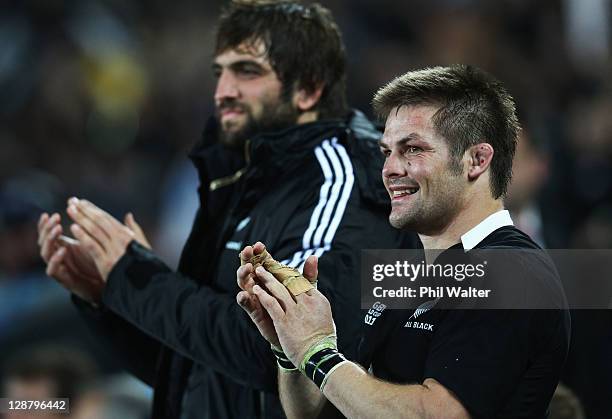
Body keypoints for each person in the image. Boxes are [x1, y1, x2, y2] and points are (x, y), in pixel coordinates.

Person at [36, 1, 415, 418]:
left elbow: (277, 354)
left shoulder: (337, 182)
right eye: (220, 73)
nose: (223, 91)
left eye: (247, 72)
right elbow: (198, 371)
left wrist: (136, 277)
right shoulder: (244, 184)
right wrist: (109, 298)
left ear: (308, 88)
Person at [238, 65, 571, 418]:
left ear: (477, 160)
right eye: (386, 152)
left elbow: (437, 415)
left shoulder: (512, 273)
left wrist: (316, 351)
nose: (390, 169)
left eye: (412, 149)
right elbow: (320, 412)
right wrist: (291, 343)